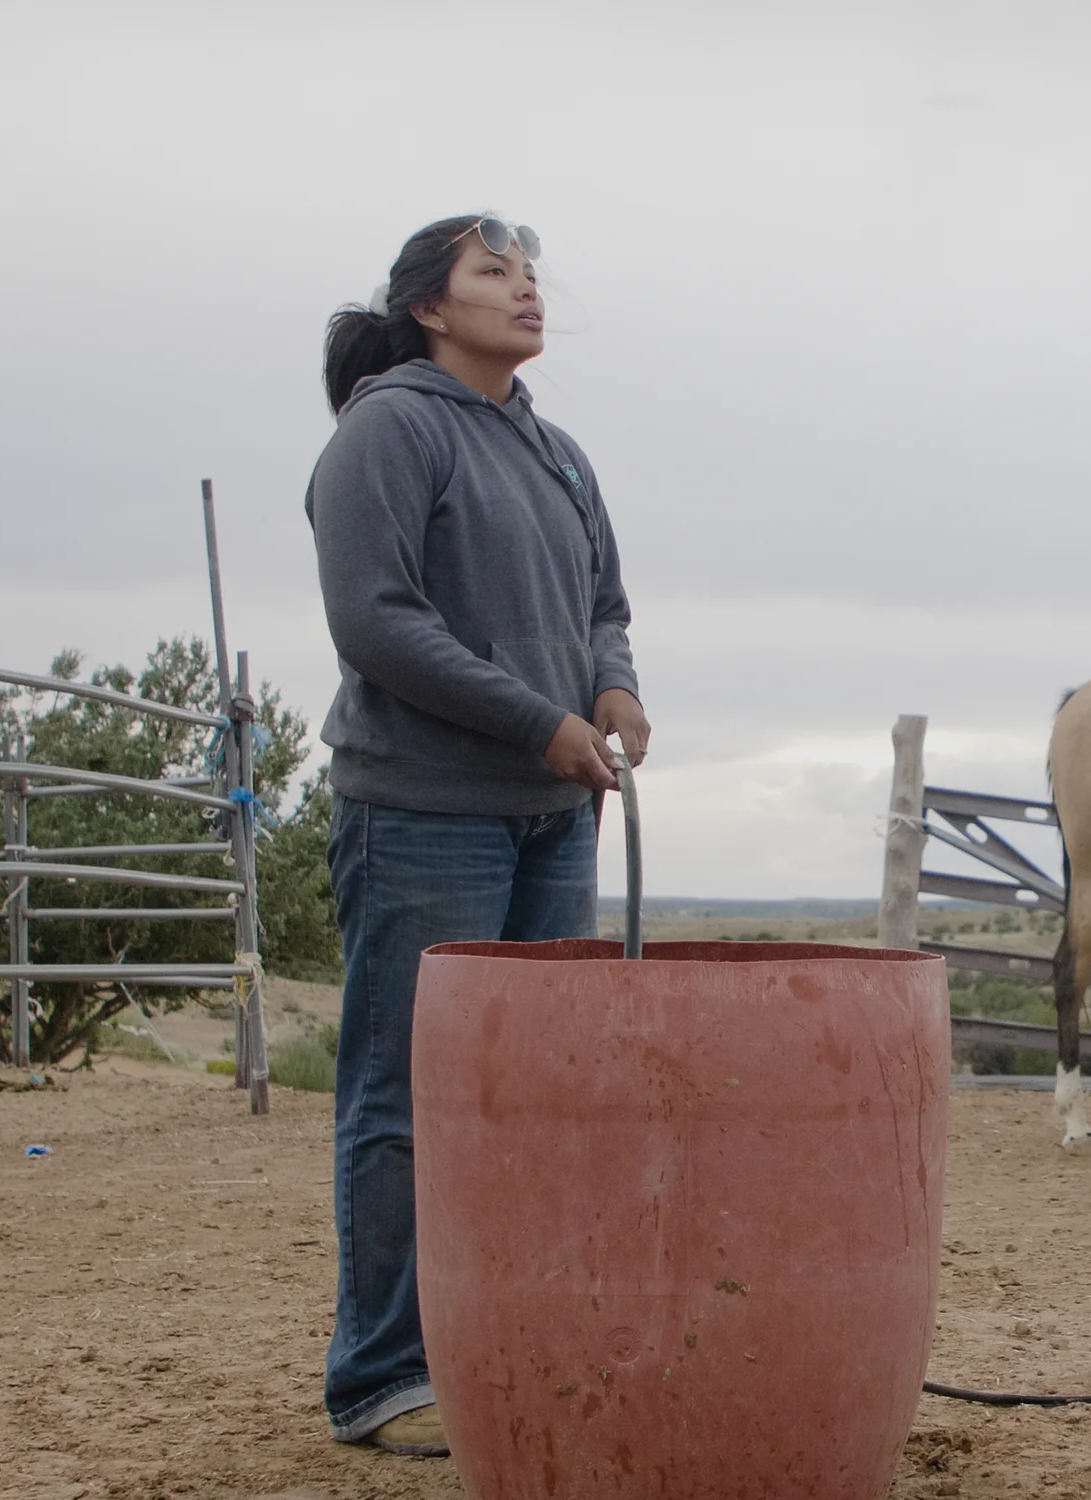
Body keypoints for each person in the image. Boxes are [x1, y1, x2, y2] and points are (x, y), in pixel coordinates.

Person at [306, 212, 649, 1455]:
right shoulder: (389, 430)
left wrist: (610, 689)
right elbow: (378, 622)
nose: (526, 290)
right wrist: (536, 718)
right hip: (424, 815)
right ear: (430, 309)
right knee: (404, 1093)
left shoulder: (554, 450)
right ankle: (382, 1376)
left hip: (554, 815)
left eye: (532, 272)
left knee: (534, 1099)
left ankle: (503, 1348)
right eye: (493, 272)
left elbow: (602, 599)